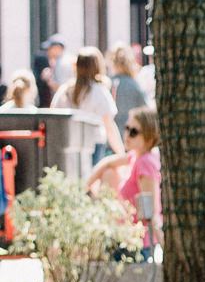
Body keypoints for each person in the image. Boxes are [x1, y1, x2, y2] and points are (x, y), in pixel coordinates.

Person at [87, 106, 162, 244]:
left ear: (149, 135)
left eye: (133, 132)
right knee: (109, 172)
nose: (127, 135)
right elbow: (107, 162)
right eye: (126, 128)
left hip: (136, 244)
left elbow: (150, 212)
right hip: (124, 236)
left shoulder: (145, 163)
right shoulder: (135, 156)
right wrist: (84, 189)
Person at [52, 47, 125, 160]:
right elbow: (109, 125)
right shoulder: (99, 91)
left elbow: (53, 115)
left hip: (68, 144)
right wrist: (121, 154)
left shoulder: (65, 90)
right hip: (94, 144)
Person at [107, 45, 148, 138]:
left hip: (111, 137)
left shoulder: (108, 84)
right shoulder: (135, 85)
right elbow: (145, 109)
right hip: (131, 136)